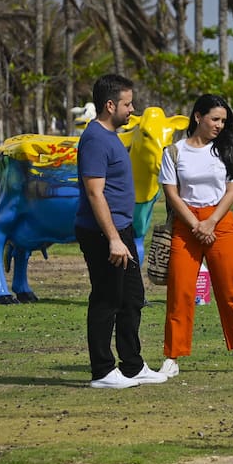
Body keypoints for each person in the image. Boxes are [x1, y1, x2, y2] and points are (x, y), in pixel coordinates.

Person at [75, 74, 168, 389]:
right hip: (104, 233)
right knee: (107, 297)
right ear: (110, 104)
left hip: (121, 230)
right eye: (127, 104)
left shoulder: (111, 135)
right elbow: (94, 193)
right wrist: (113, 239)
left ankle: (132, 365)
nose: (132, 109)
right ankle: (102, 371)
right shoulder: (94, 140)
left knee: (132, 298)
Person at [158, 94, 233, 376]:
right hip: (186, 224)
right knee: (180, 291)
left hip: (221, 223)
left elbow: (232, 189)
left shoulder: (225, 150)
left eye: (223, 121)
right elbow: (171, 192)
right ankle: (172, 356)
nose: (219, 125)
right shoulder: (174, 151)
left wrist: (211, 222)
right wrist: (195, 224)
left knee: (230, 289)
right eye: (215, 119)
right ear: (198, 117)